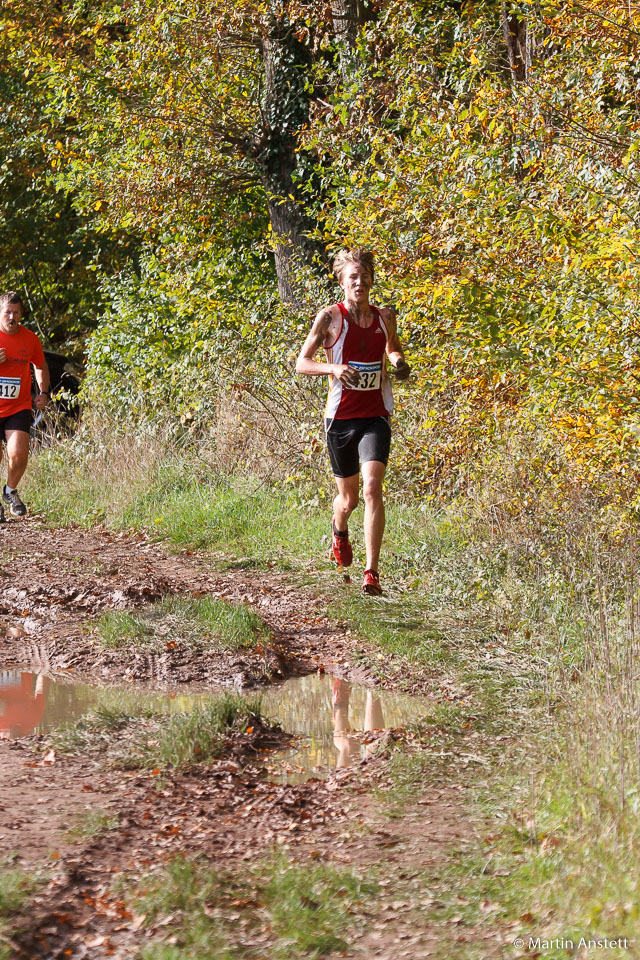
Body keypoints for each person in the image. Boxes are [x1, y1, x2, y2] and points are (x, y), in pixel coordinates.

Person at [296, 249, 410, 595]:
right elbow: (302, 362)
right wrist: (332, 368)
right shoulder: (330, 318)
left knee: (373, 488)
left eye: (364, 276)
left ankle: (371, 572)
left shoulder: (384, 316)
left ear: (371, 279)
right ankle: (339, 526)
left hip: (375, 414)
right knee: (349, 500)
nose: (359, 283)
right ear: (342, 282)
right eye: (352, 278)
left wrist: (399, 362)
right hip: (341, 418)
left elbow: (392, 348)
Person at [0, 292, 50, 521]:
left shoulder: (29, 338)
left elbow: (40, 364)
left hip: (17, 407)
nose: (12, 317)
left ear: (21, 313)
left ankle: (10, 491)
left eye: (16, 312)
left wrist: (43, 391)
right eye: (7, 312)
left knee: (19, 454)